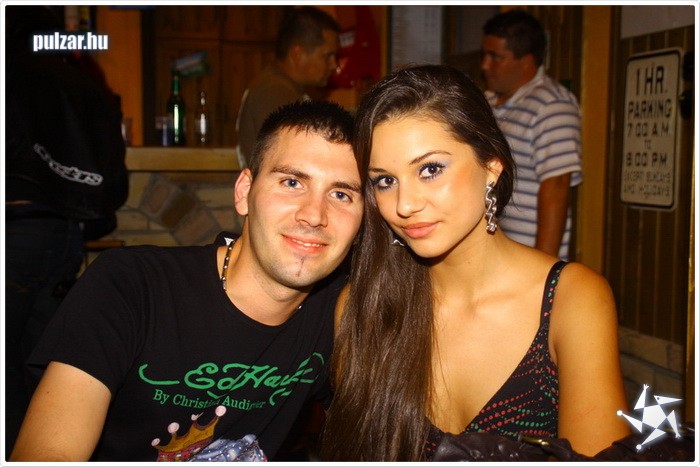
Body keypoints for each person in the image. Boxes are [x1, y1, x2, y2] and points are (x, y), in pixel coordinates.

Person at [10, 100, 364, 462]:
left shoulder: (341, 313)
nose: (314, 215)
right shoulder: (132, 284)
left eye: (341, 194)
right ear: (244, 192)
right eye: (292, 182)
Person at [320, 65, 630, 462]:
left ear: (491, 166)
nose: (405, 204)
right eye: (385, 180)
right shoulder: (362, 306)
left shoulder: (571, 301)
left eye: (430, 170)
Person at [4, 6, 128, 455]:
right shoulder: (86, 82)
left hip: (15, 231)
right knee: (40, 368)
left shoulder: (11, 70)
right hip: (66, 238)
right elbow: (115, 183)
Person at [481, 9, 582, 259]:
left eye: (496, 57)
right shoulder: (486, 101)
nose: (485, 65)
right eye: (485, 55)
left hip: (526, 259)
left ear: (526, 61)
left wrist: (543, 268)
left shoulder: (552, 105)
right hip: (492, 256)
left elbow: (556, 188)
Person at [236, 6, 340, 168]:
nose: (334, 65)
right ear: (297, 55)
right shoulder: (275, 91)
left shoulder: (281, 87)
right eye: (327, 55)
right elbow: (293, 159)